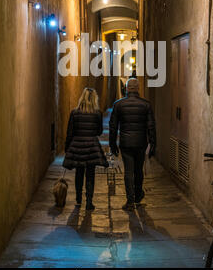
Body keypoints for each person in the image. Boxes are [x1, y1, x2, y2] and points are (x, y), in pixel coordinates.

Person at [109, 78, 156, 211]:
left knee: (128, 172)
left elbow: (113, 126)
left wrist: (113, 145)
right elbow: (151, 126)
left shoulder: (119, 105)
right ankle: (138, 195)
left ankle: (130, 201)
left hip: (126, 143)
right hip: (141, 143)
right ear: (138, 88)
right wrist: (153, 144)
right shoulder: (146, 105)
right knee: (138, 170)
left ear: (127, 88)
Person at [63, 88, 108, 210]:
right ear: (94, 99)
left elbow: (70, 132)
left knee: (79, 173)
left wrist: (67, 148)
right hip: (91, 146)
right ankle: (89, 201)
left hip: (77, 145)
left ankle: (78, 200)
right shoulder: (97, 113)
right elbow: (99, 132)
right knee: (90, 174)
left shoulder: (74, 112)